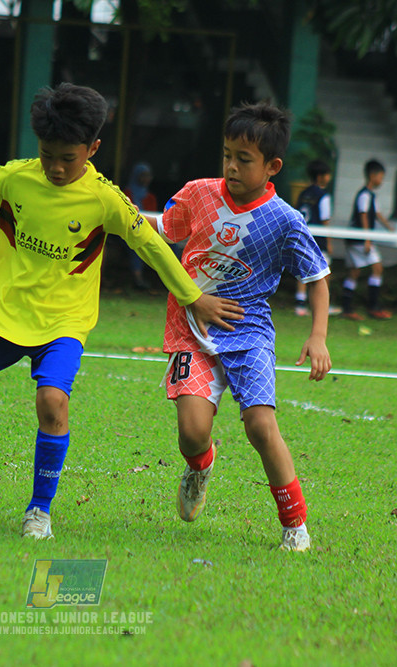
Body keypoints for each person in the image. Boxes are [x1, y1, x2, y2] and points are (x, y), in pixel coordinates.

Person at [0, 83, 242, 540]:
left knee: (53, 401)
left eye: (67, 158)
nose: (55, 167)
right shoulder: (14, 177)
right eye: (47, 154)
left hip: (64, 322)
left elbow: (152, 245)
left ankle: (39, 511)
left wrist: (193, 295)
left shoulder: (104, 198)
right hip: (3, 313)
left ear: (92, 148)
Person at [146, 102, 331, 553]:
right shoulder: (197, 194)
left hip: (248, 334)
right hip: (191, 328)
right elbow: (161, 231)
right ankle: (199, 467)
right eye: (227, 154)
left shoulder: (286, 220)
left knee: (260, 425)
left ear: (272, 167)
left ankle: (295, 526)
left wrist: (318, 335)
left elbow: (317, 277)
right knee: (192, 430)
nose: (231, 166)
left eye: (243, 159)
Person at [341, 159, 395, 321]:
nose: (382, 181)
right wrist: (367, 238)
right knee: (377, 268)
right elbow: (363, 215)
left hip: (356, 239)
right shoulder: (364, 195)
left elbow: (377, 214)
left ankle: (347, 308)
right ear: (373, 176)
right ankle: (373, 307)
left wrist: (389, 228)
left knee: (354, 272)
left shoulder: (370, 195)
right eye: (381, 177)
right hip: (359, 239)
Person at [293, 159, 341, 317]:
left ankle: (300, 304)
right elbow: (325, 220)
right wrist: (329, 243)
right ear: (321, 176)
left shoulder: (303, 193)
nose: (329, 177)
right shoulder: (323, 196)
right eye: (327, 175)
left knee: (303, 270)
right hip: (318, 239)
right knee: (324, 272)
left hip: (302, 237)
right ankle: (323, 305)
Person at [123, 162, 159, 290]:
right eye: (143, 175)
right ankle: (138, 280)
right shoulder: (126, 193)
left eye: (148, 176)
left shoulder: (150, 197)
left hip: (148, 230)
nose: (146, 179)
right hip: (128, 232)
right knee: (137, 246)